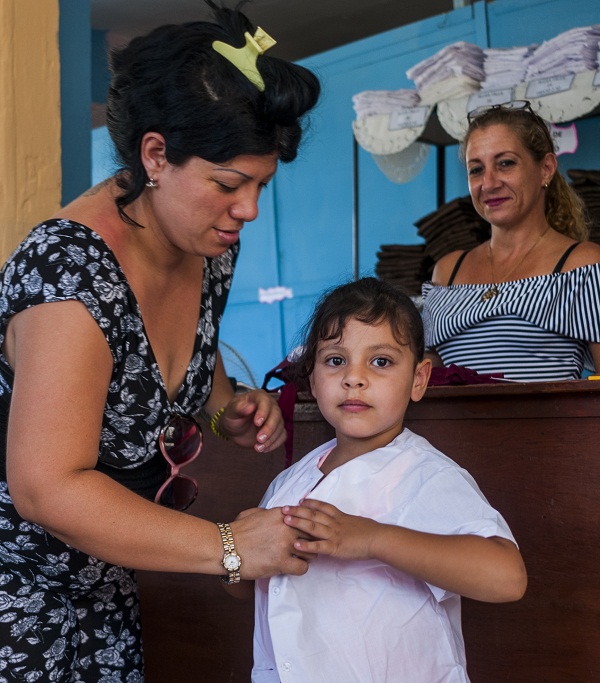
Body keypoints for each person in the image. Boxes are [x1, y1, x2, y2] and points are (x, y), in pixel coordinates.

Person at [0, 2, 320, 680]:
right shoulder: (71, 270)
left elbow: (168, 379)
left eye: (262, 184)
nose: (250, 210)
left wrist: (223, 405)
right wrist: (230, 545)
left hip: (105, 582)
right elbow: (46, 488)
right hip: (17, 596)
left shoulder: (207, 245)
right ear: (155, 155)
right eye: (230, 184)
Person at [226, 277, 527, 682]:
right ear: (312, 379)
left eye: (380, 361)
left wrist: (372, 539)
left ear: (418, 379)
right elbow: (253, 588)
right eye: (335, 361)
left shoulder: (425, 474)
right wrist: (234, 558)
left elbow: (506, 578)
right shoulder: (290, 482)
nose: (355, 378)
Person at [421, 100, 600, 382]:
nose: (489, 183)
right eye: (476, 169)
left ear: (546, 169)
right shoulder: (447, 271)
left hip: (547, 427)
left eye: (505, 163)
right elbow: (430, 380)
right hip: (455, 428)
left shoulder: (584, 264)